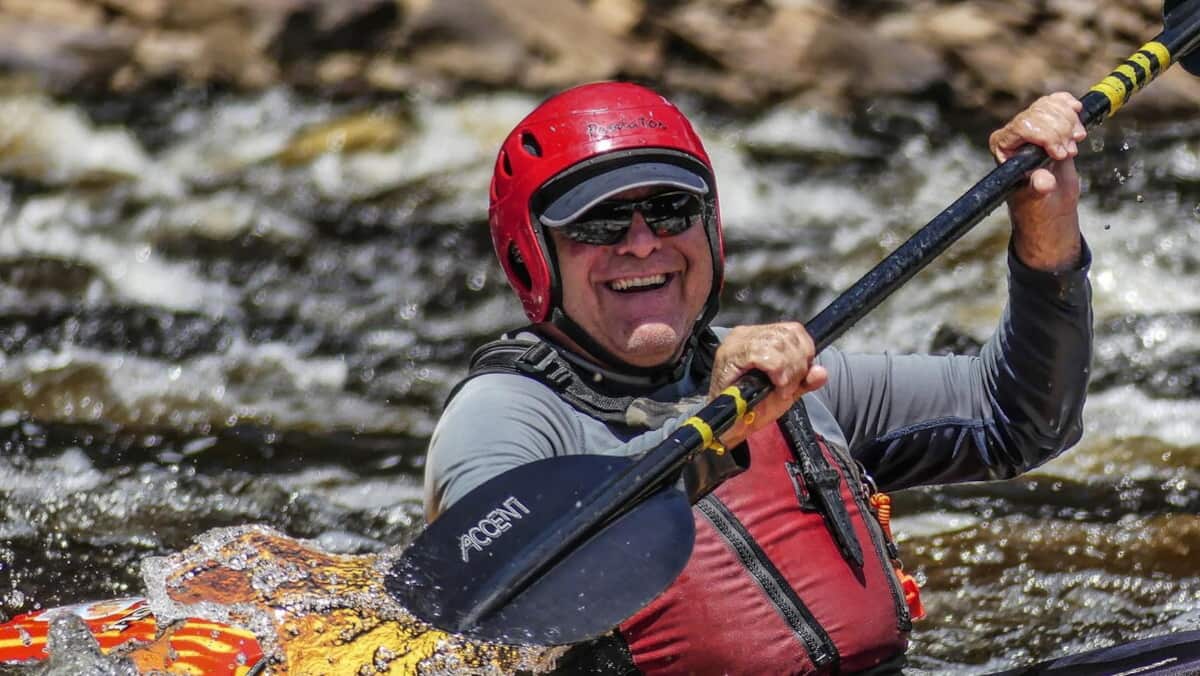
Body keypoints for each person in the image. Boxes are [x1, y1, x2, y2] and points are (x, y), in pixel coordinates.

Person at [423, 81, 1092, 674]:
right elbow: (493, 579)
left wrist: (1047, 238)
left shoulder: (782, 380)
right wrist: (712, 434)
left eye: (669, 210)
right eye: (597, 223)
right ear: (528, 256)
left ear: (710, 231)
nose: (640, 242)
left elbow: (1022, 423)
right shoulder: (504, 413)